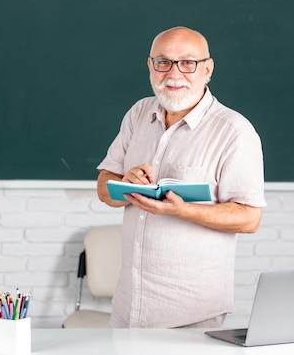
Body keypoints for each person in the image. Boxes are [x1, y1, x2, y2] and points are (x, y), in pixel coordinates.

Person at [96, 26, 266, 328]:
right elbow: (104, 189)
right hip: (128, 309)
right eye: (163, 62)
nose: (174, 74)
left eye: (188, 63)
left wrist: (181, 210)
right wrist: (126, 183)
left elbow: (249, 218)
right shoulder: (138, 114)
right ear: (150, 66)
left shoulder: (234, 131)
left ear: (207, 69)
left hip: (190, 315)